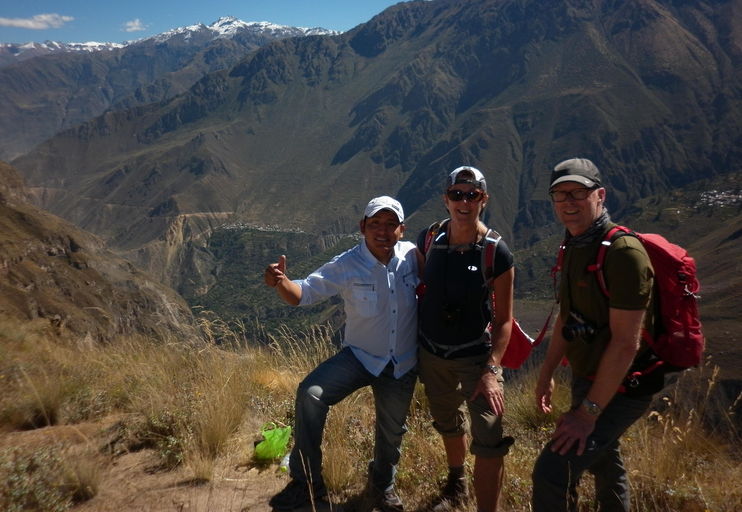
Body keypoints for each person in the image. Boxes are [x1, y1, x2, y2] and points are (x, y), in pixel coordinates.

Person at [264, 196, 422, 512]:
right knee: (311, 394)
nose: (383, 231)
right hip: (360, 357)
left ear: (401, 231)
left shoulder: (413, 258)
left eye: (391, 225)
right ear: (362, 227)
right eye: (375, 223)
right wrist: (281, 282)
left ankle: (382, 487)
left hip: (401, 364)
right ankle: (306, 483)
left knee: (391, 435)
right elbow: (304, 293)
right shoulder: (347, 264)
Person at [532, 158, 656, 511]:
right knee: (605, 462)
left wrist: (586, 415)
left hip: (623, 384)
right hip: (590, 378)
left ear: (600, 195)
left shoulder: (624, 254)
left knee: (552, 472)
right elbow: (566, 318)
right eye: (560, 194)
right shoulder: (574, 244)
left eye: (578, 192)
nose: (568, 202)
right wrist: (547, 373)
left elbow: (625, 342)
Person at [416, 166, 515, 512]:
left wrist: (491, 371)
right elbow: (413, 286)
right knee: (447, 422)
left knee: (489, 435)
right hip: (431, 353)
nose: (463, 201)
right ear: (445, 200)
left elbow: (505, 320)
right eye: (456, 194)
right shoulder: (429, 238)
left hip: (476, 357)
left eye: (471, 195)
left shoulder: (496, 252)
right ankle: (457, 485)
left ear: (483, 200)